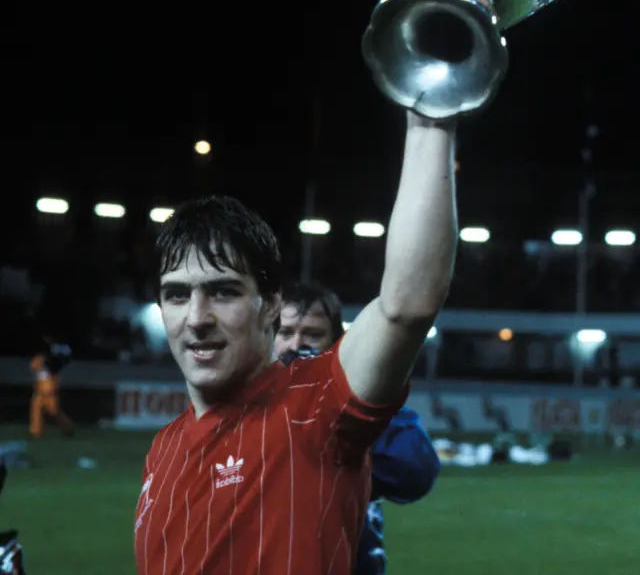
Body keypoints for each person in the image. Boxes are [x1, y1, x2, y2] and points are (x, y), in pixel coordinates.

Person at [134, 111, 457, 575]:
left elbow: (408, 304)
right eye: (177, 294)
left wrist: (431, 118)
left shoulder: (316, 402)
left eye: (223, 291)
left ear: (270, 305)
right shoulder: (161, 450)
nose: (197, 318)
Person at [274, 281, 441, 575]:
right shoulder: (249, 408)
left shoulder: (363, 399)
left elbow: (416, 472)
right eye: (285, 332)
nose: (296, 344)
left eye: (312, 334)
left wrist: (336, 412)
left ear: (337, 342)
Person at [29, 336, 74, 439]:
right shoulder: (39, 359)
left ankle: (67, 428)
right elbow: (35, 371)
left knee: (53, 411)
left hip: (50, 389)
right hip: (41, 388)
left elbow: (53, 368)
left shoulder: (54, 360)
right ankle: (36, 432)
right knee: (36, 408)